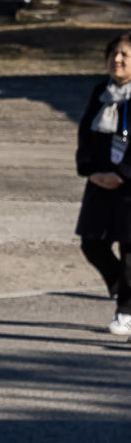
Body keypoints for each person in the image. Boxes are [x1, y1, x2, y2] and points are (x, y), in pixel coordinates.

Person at [73, 32, 131, 336]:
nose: (116, 60)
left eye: (124, 55)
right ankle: (125, 290)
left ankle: (125, 312)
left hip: (128, 183)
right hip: (100, 181)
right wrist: (90, 170)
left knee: (130, 250)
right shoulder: (101, 92)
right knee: (91, 243)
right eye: (113, 54)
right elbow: (85, 133)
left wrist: (123, 173)